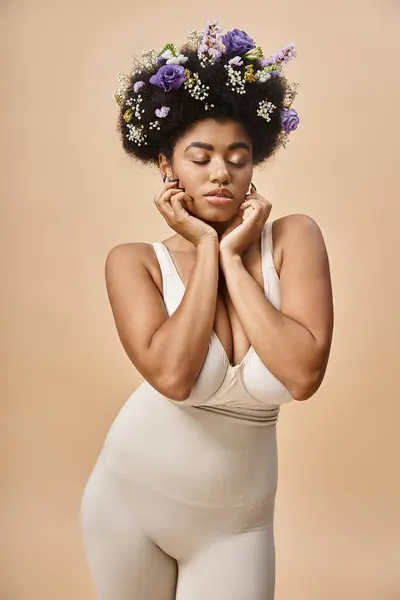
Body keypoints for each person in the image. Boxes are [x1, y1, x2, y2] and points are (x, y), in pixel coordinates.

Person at [79, 21, 334, 600]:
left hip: (235, 527)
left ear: (254, 166)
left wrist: (230, 255)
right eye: (202, 157)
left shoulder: (294, 239)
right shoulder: (133, 262)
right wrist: (204, 247)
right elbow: (172, 374)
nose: (222, 172)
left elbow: (303, 373)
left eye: (238, 158)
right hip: (127, 507)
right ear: (168, 167)